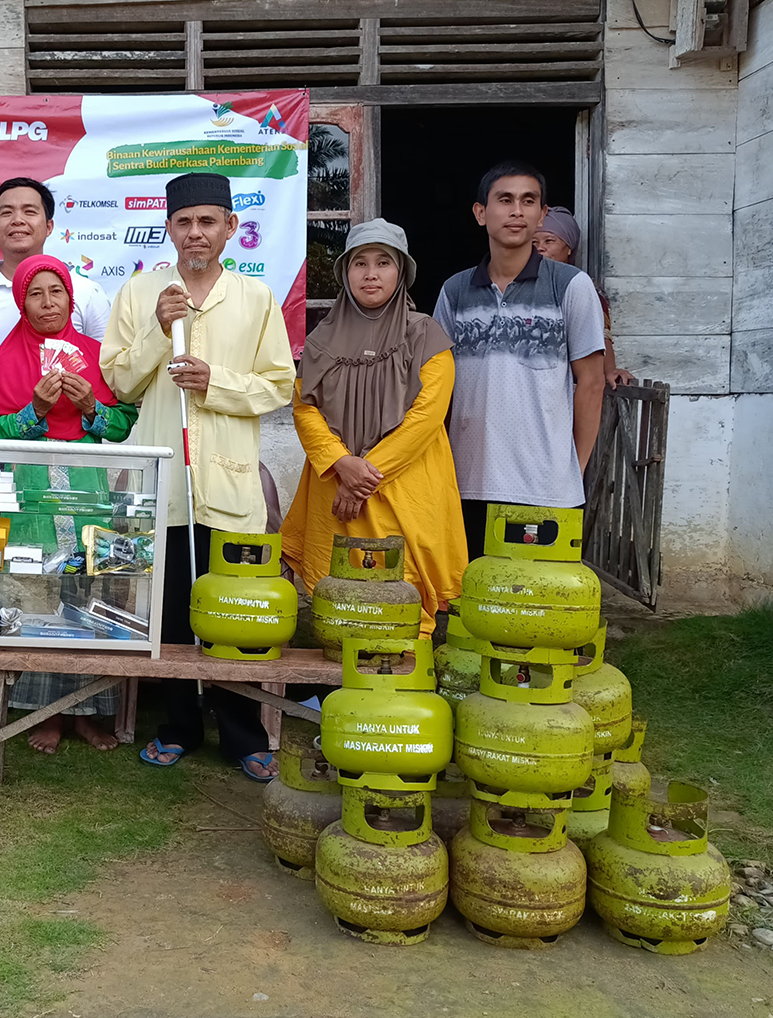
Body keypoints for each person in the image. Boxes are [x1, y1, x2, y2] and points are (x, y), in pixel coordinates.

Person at [100, 172, 296, 781]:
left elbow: (280, 383)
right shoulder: (141, 293)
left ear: (231, 228)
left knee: (234, 613)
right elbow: (118, 382)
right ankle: (179, 725)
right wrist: (159, 334)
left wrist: (219, 383)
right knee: (174, 611)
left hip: (230, 481)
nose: (195, 233)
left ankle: (242, 733)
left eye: (208, 221)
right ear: (168, 229)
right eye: (184, 222)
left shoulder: (255, 297)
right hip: (165, 480)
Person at [0, 255, 138, 753]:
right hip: (31, 493)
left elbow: (120, 427)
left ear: (72, 298)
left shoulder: (94, 354)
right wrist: (38, 410)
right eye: (36, 293)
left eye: (57, 292)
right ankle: (41, 712)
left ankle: (88, 711)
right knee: (36, 592)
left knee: (93, 588)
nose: (48, 303)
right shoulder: (8, 358)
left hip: (89, 488)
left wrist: (90, 406)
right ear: (20, 301)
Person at [281, 220, 466, 635]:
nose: (370, 273)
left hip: (404, 491)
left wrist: (360, 477)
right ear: (345, 273)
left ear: (401, 272)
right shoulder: (319, 340)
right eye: (359, 263)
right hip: (337, 493)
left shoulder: (427, 335)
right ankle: (344, 695)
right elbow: (304, 409)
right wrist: (340, 464)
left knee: (405, 600)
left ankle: (405, 693)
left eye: (384, 263)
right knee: (343, 604)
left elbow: (426, 418)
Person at [434, 161, 606, 561]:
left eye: (528, 201)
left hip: (545, 487)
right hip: (467, 481)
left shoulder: (570, 286)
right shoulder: (455, 291)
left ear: (542, 214)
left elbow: (592, 383)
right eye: (505, 200)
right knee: (472, 604)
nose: (517, 211)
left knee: (538, 608)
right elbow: (437, 384)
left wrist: (571, 469)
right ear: (481, 213)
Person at [0, 177, 113, 439]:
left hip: (69, 447)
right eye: (6, 212)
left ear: (49, 225)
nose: (17, 220)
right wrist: (9, 399)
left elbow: (105, 367)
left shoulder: (86, 292)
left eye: (29, 211)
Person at [532, 206, 636, 388]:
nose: (540, 248)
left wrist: (610, 370)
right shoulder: (514, 288)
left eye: (549, 241)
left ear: (569, 248)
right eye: (533, 243)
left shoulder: (583, 290)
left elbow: (601, 337)